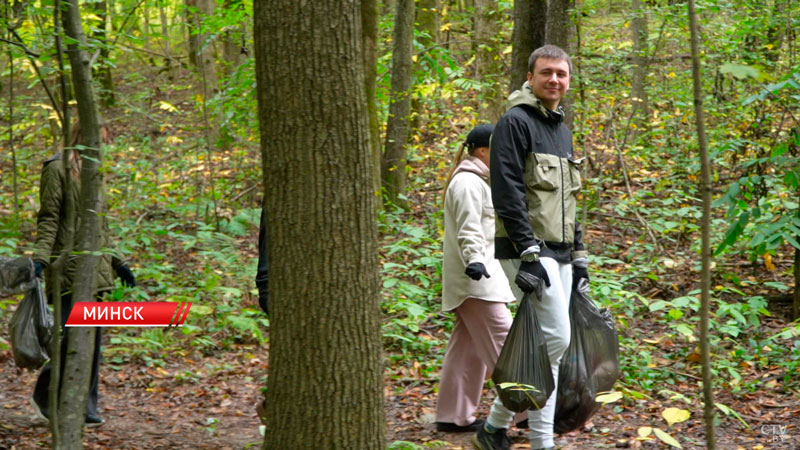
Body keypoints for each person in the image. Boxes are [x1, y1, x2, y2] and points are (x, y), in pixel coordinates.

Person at [473, 45, 589, 450]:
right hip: (526, 250)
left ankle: (495, 428)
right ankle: (540, 441)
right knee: (555, 338)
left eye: (561, 73)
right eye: (547, 73)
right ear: (531, 76)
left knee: (551, 343)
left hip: (559, 253)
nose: (554, 80)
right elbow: (506, 189)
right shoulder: (515, 122)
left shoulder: (562, 129)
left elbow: (570, 200)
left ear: (568, 80)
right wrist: (527, 251)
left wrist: (579, 255)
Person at [31, 123, 136, 427]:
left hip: (96, 270)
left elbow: (99, 226)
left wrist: (120, 263)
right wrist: (40, 259)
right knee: (67, 338)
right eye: (97, 140)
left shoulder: (94, 173)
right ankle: (45, 395)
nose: (101, 146)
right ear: (81, 136)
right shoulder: (56, 168)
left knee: (92, 341)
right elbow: (49, 217)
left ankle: (86, 406)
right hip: (68, 269)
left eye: (105, 141)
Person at [435, 124, 518, 433]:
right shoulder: (469, 183)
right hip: (477, 280)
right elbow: (469, 228)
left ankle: (452, 416)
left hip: (481, 277)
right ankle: (528, 413)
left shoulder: (479, 180)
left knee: (467, 349)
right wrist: (474, 262)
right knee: (507, 345)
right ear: (483, 150)